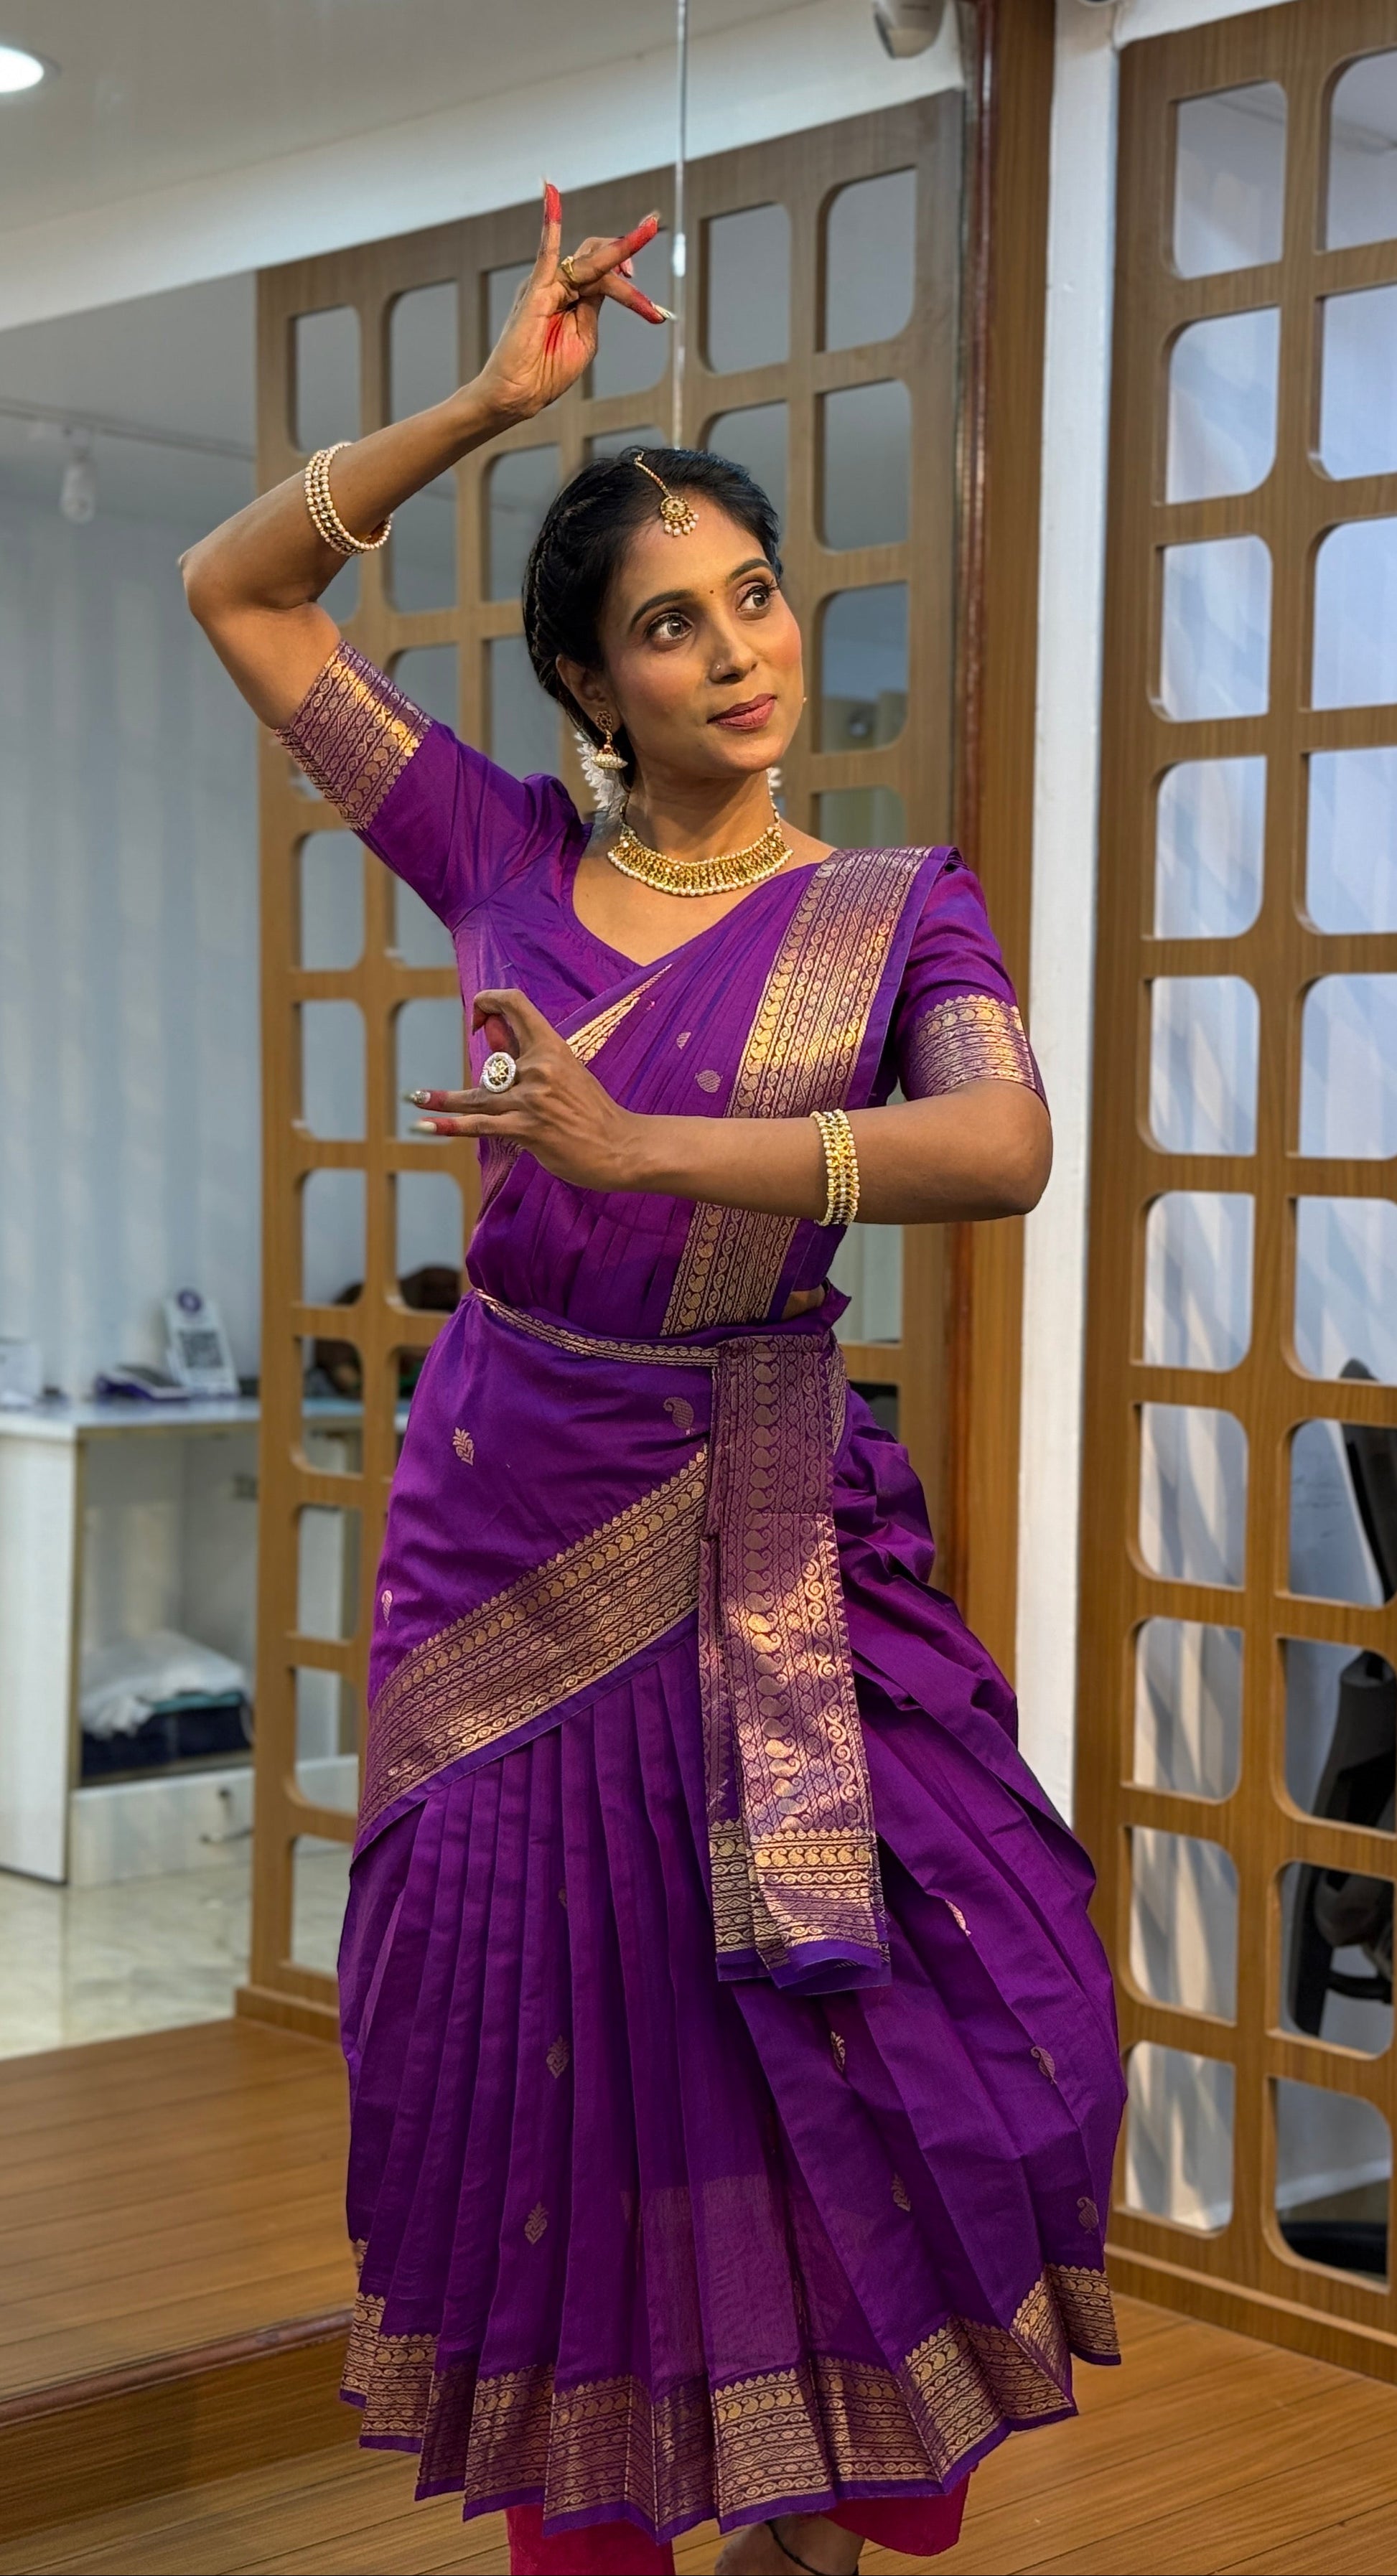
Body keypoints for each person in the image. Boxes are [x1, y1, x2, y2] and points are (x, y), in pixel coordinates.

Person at [182, 184, 1126, 2576]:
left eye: (756, 597)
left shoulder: (896, 908)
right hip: (507, 1510)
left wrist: (643, 1145)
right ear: (590, 690)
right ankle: (608, 2496)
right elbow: (240, 592)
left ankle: (806, 2495)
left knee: (866, 2003)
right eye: (669, 623)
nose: (737, 650)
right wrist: (492, 405)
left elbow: (1003, 1147)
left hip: (767, 1523)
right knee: (542, 2026)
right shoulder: (493, 855)